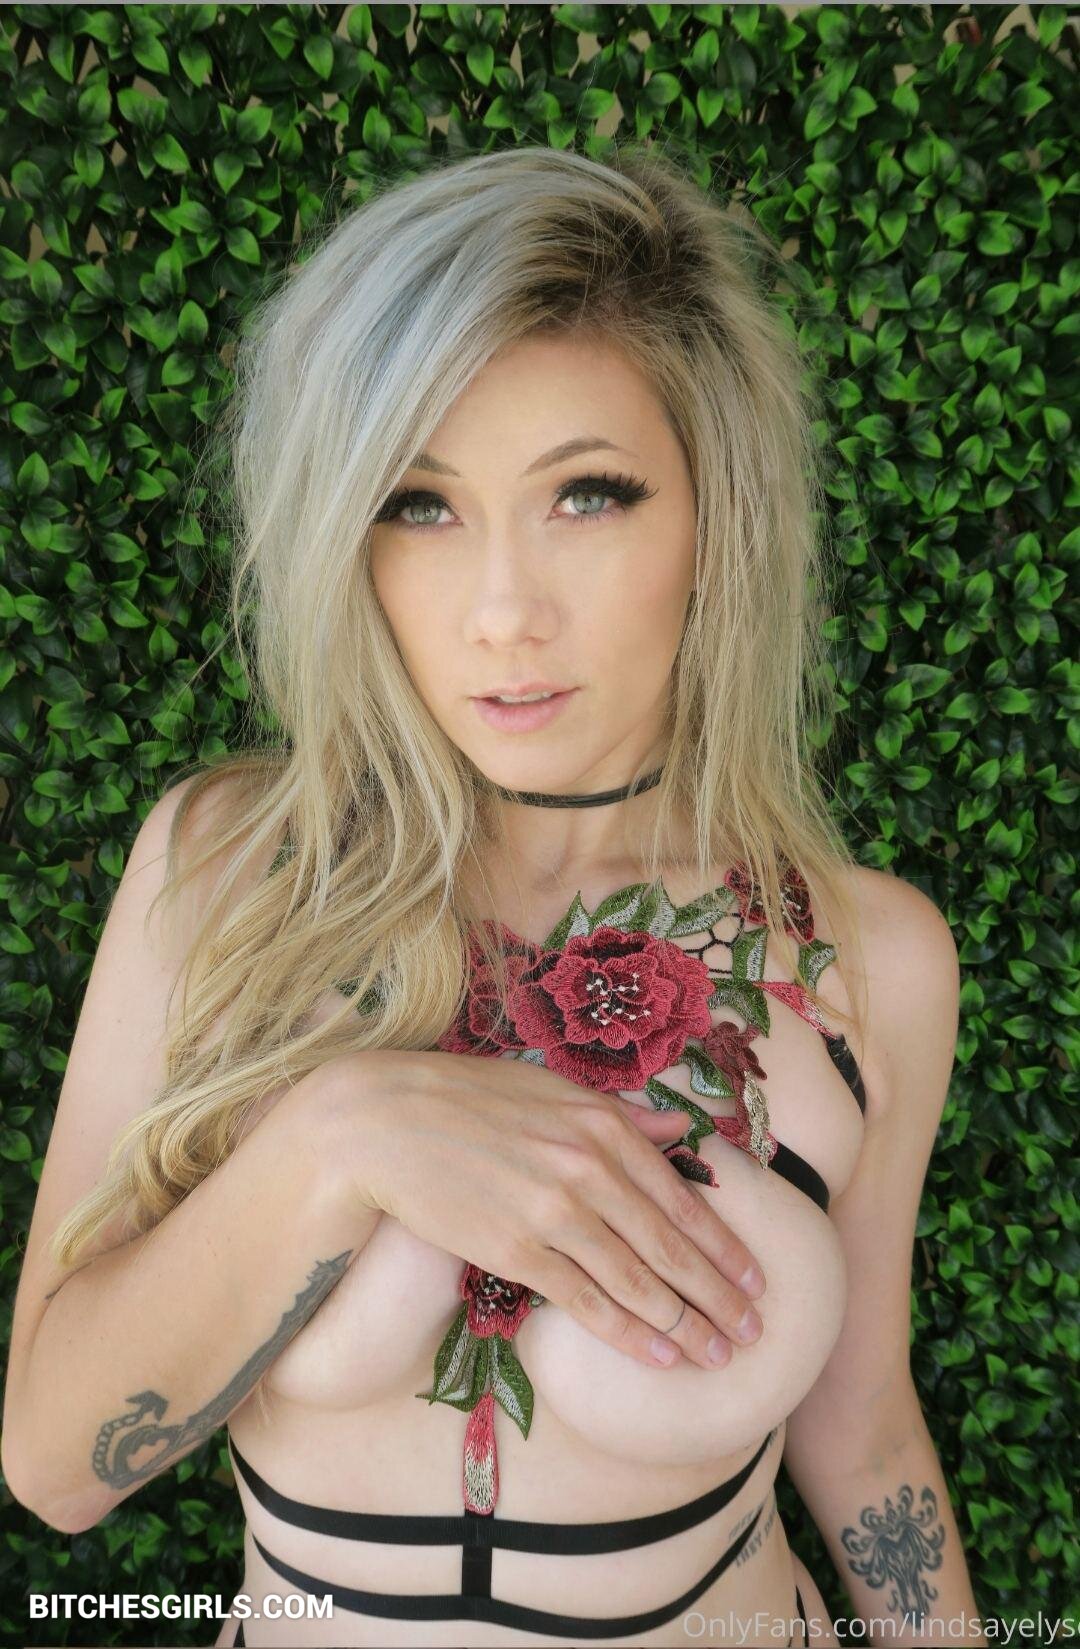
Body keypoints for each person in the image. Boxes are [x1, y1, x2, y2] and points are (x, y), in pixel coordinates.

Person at [1, 144, 987, 1648]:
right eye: (419, 504)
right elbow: (55, 1464)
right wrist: (344, 1136)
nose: (502, 612)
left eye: (587, 496)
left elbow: (863, 1430)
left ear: (714, 520)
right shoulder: (224, 872)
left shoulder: (865, 957)